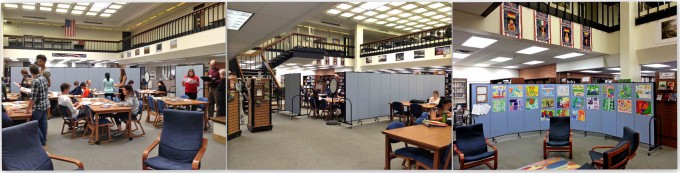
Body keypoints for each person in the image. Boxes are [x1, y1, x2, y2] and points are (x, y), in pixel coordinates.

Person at [25, 64, 49, 146]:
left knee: (34, 124)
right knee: (43, 124)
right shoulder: (44, 78)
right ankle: (43, 142)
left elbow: (33, 98)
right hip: (45, 105)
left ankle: (41, 141)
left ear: (31, 72)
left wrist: (27, 109)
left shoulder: (35, 81)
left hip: (38, 107)